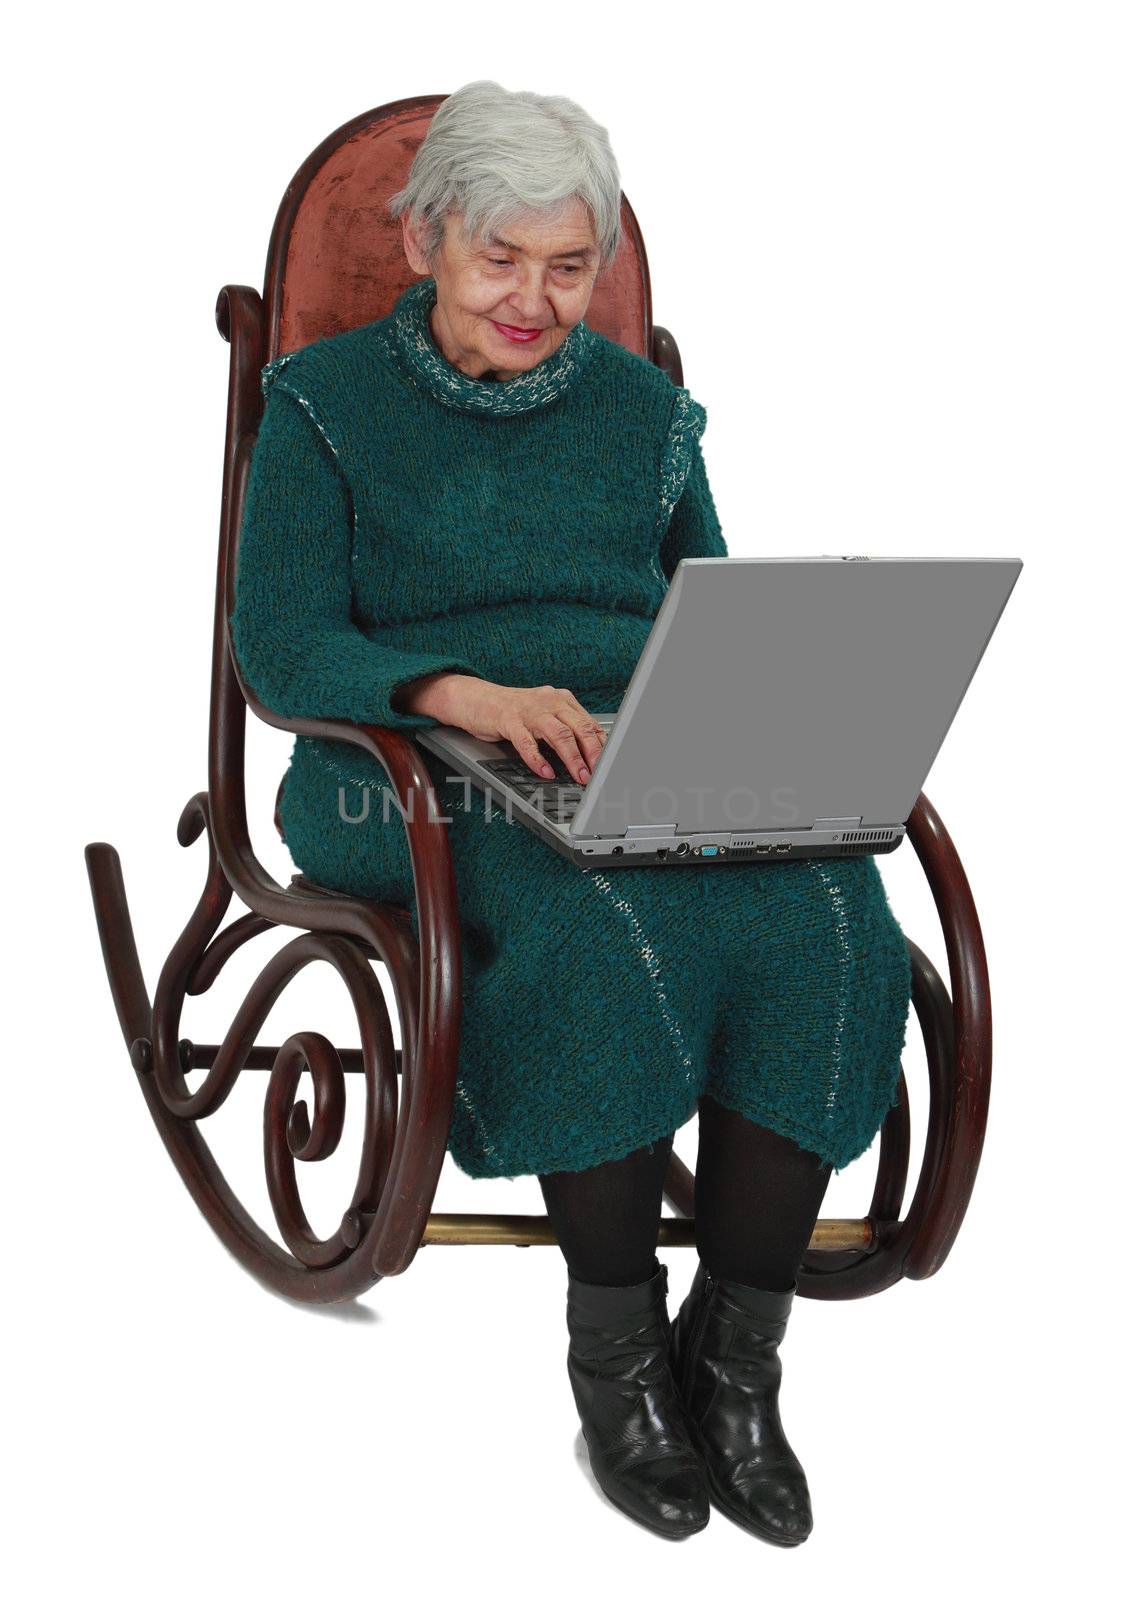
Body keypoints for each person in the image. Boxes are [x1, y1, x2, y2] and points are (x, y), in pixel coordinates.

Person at [231, 79, 912, 1545]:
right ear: (424, 241)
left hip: (628, 738)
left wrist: (776, 704)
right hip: (398, 761)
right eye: (500, 259)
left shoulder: (645, 410)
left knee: (824, 906)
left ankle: (735, 1362)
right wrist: (461, 695)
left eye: (567, 263)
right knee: (593, 918)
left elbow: (699, 603)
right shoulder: (325, 406)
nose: (536, 299)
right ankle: (615, 1355)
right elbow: (281, 650)